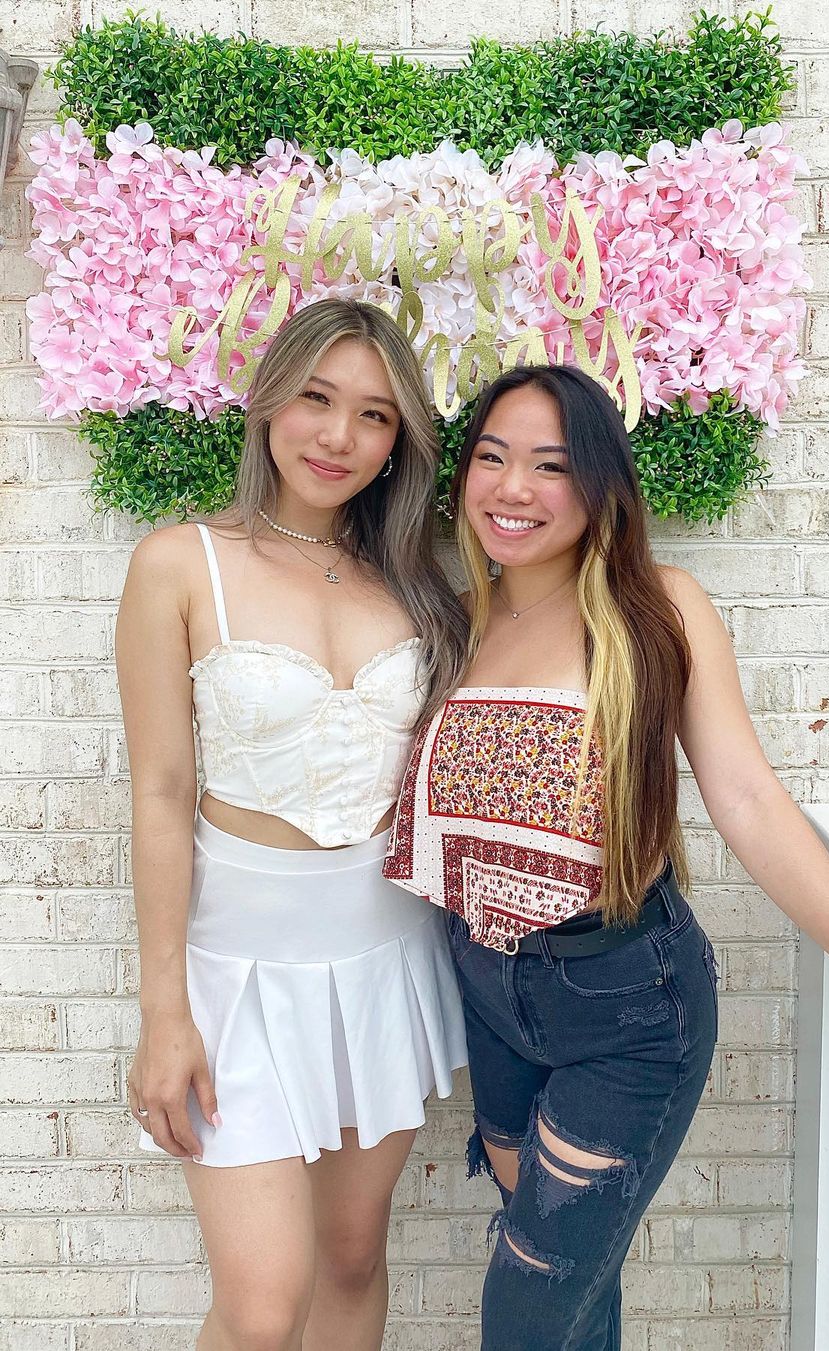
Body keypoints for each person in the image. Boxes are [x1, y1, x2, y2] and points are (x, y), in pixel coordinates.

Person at [383, 363, 829, 1350]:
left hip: (623, 1005)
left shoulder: (656, 608)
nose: (513, 488)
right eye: (492, 457)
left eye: (552, 464)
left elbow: (746, 797)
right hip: (489, 993)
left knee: (526, 1311)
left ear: (600, 484)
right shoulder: (462, 620)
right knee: (578, 1291)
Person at [115, 298, 470, 1351]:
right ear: (269, 398)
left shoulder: (419, 582)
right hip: (236, 978)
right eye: (317, 398)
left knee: (351, 1256)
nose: (338, 436)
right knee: (265, 1305)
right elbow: (161, 792)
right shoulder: (181, 563)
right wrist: (164, 1011)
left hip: (385, 958)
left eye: (374, 415)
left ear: (399, 440)